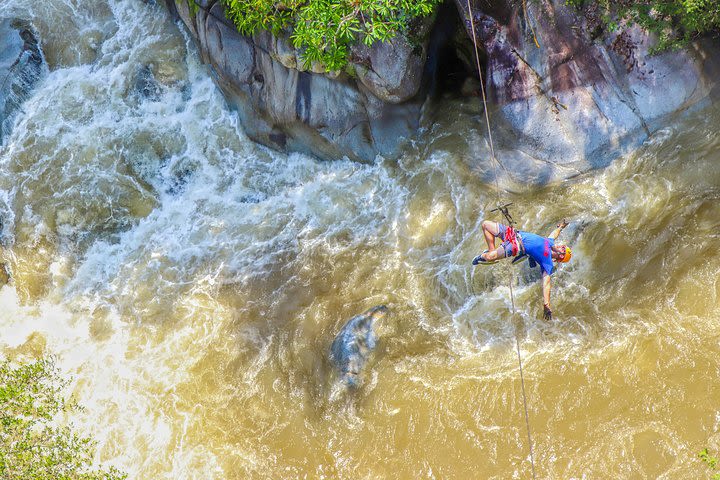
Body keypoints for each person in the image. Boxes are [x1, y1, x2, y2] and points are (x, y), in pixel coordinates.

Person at [472, 219, 572, 320]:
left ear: (559, 259)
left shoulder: (547, 263)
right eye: (563, 248)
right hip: (514, 234)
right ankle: (491, 250)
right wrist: (560, 227)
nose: (561, 249)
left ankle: (484, 256)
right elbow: (554, 234)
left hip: (515, 246)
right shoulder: (550, 242)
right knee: (486, 225)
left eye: (563, 252)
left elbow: (546, 284)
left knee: (490, 257)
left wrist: (547, 305)